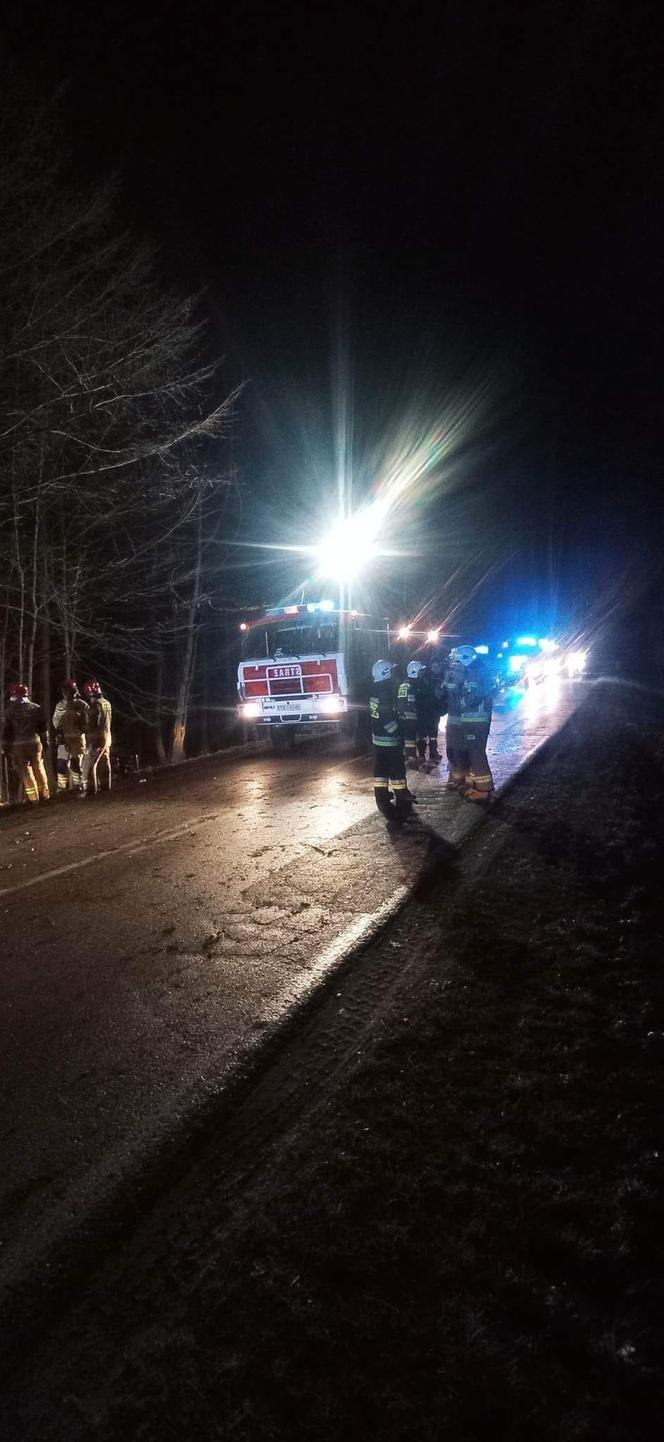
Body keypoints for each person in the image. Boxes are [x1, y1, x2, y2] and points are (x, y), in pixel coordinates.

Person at [443, 645, 495, 802]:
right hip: (473, 720)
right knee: (473, 753)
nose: (455, 665)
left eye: (458, 661)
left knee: (476, 754)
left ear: (466, 659)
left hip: (476, 720)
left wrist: (460, 698)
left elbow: (472, 697)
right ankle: (475, 785)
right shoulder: (475, 672)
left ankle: (483, 790)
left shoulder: (475, 674)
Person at [369, 659, 413, 822]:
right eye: (392, 671)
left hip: (378, 739)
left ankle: (381, 797)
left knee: (380, 769)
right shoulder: (385, 691)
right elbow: (387, 718)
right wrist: (399, 732)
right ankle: (401, 797)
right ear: (386, 673)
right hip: (389, 739)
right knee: (396, 770)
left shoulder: (376, 688)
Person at [1, 682, 50, 803]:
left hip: (19, 745)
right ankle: (44, 794)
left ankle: (33, 798)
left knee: (25, 771)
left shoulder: (8, 712)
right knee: (38, 766)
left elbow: (5, 732)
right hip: (35, 742)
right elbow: (43, 727)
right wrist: (46, 742)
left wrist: (5, 749)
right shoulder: (36, 708)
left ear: (14, 695)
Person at [52, 679, 88, 793]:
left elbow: (88, 722)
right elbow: (55, 721)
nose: (66, 693)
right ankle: (61, 787)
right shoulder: (60, 705)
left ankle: (78, 785)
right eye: (64, 691)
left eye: (68, 691)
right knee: (61, 763)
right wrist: (58, 732)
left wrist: (81, 728)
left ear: (74, 691)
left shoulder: (82, 705)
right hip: (64, 739)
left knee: (75, 762)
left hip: (77, 739)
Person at [81, 679, 112, 796]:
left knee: (90, 764)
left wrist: (82, 727)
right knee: (104, 761)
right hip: (107, 736)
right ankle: (105, 786)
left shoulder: (94, 706)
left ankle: (90, 789)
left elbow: (92, 724)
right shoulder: (106, 703)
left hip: (97, 738)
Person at [415, 662, 443, 764]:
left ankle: (422, 755)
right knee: (432, 735)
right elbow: (439, 697)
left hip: (423, 713)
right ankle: (432, 753)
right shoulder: (435, 681)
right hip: (432, 712)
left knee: (424, 736)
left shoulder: (417, 683)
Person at [397, 661, 421, 768]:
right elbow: (405, 703)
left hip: (408, 717)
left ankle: (410, 756)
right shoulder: (409, 685)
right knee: (409, 739)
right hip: (408, 718)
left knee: (409, 738)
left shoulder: (408, 684)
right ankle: (410, 757)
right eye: (420, 672)